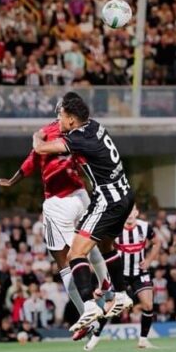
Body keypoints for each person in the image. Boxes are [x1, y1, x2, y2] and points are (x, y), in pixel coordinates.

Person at [0, 101, 110, 341]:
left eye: (60, 113)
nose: (59, 116)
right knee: (89, 244)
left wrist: (13, 179)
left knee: (65, 262)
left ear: (66, 115)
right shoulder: (87, 130)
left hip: (58, 202)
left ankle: (87, 310)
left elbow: (34, 156)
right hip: (82, 195)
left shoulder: (48, 133)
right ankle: (108, 290)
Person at [33, 92, 135, 334]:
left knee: (75, 255)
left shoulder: (77, 138)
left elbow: (40, 148)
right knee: (107, 245)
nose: (58, 121)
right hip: (125, 194)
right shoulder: (95, 127)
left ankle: (89, 306)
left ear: (70, 120)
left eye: (60, 116)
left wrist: (37, 135)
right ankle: (121, 295)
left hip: (107, 199)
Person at [85, 205, 161, 351]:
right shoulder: (115, 228)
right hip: (119, 274)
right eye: (128, 212)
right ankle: (95, 337)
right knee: (110, 307)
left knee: (148, 305)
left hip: (139, 272)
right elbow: (104, 248)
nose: (130, 214)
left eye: (133, 211)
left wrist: (149, 260)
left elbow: (157, 243)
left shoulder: (145, 227)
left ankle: (143, 340)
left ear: (137, 213)